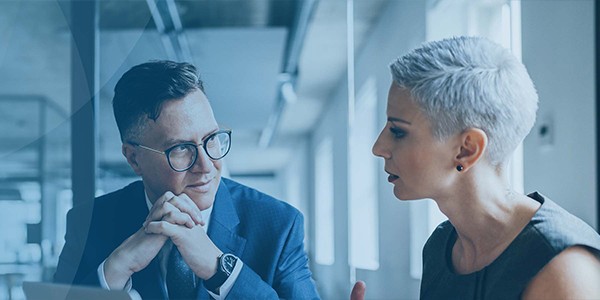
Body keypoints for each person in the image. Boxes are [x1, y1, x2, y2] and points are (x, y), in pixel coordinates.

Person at [54, 60, 320, 300]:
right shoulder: (89, 223)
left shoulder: (279, 225)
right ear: (134, 158)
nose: (206, 166)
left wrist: (221, 271)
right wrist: (118, 266)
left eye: (211, 140)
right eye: (180, 149)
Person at [364, 36, 600, 299]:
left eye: (397, 131)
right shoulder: (439, 247)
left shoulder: (562, 270)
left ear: (467, 149)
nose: (378, 147)